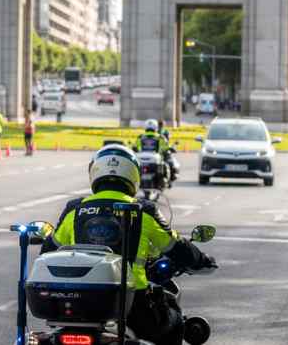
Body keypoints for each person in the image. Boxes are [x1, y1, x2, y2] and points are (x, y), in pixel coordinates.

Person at [41, 144, 215, 343]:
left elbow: (48, 251)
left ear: (94, 172)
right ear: (133, 174)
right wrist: (201, 259)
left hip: (76, 305)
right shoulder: (143, 210)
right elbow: (176, 247)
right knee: (175, 322)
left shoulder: (74, 210)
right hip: (133, 305)